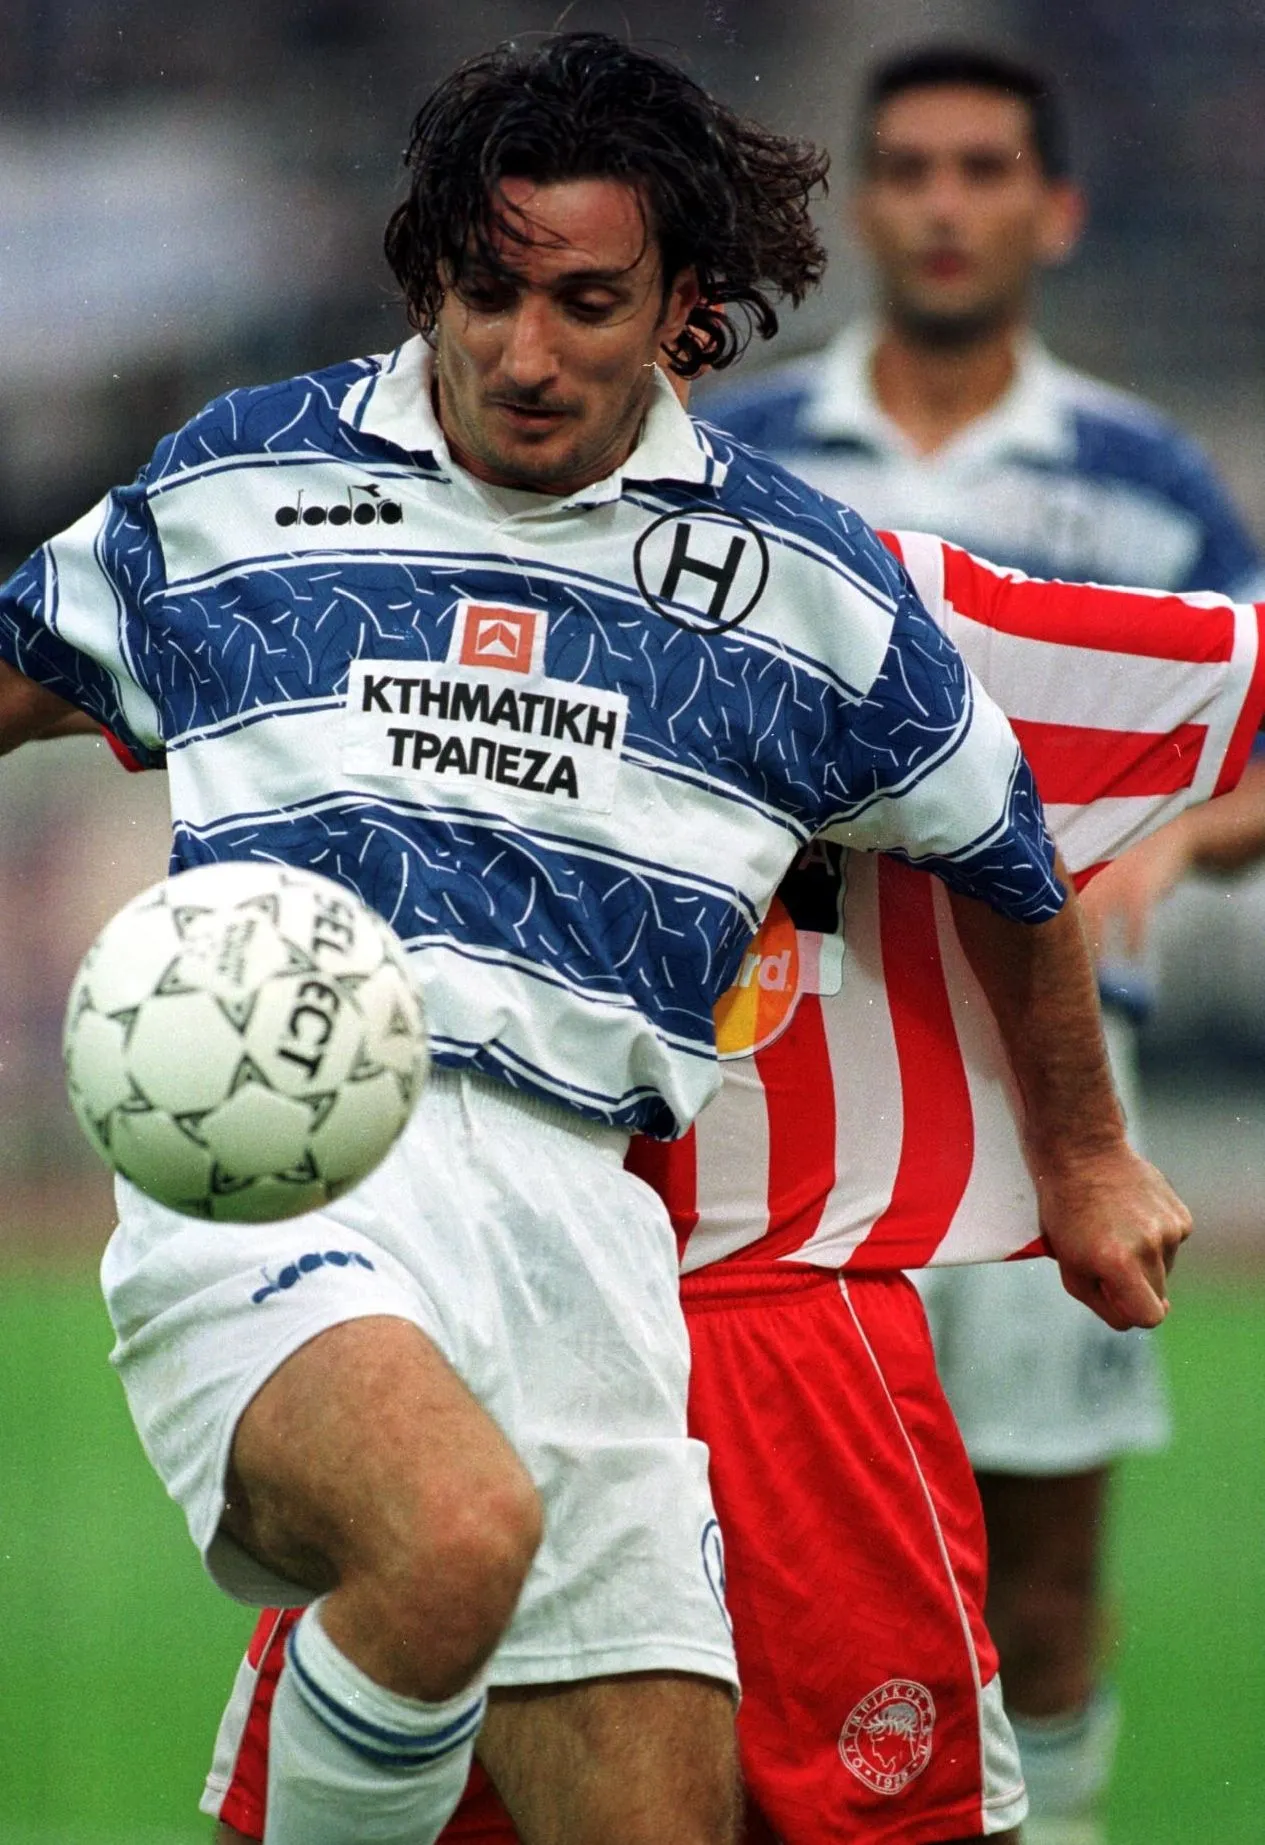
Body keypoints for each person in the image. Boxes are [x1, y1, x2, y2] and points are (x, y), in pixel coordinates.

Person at [0, 31, 1189, 1845]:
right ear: (431, 277)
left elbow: (1003, 847)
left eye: (584, 302)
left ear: (685, 308)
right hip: (282, 1153)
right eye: (486, 293)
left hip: (588, 1223)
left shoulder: (805, 588)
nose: (523, 353)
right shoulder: (238, 485)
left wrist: (1086, 1159)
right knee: (451, 1533)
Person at [197, 532, 1265, 1845]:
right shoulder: (350, 561)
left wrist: (1085, 1138)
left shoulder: (855, 589)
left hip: (780, 1330)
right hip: (477, 1308)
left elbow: (1044, 806)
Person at [702, 43, 1265, 1844]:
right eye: (913, 169)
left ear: (1055, 208)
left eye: (985, 169)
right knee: (743, 1566)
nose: (946, 204)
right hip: (775, 1088)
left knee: (1043, 1564)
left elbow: (1249, 729)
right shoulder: (740, 447)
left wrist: (1170, 843)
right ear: (862, 206)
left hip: (1045, 1103)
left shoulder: (1143, 476)